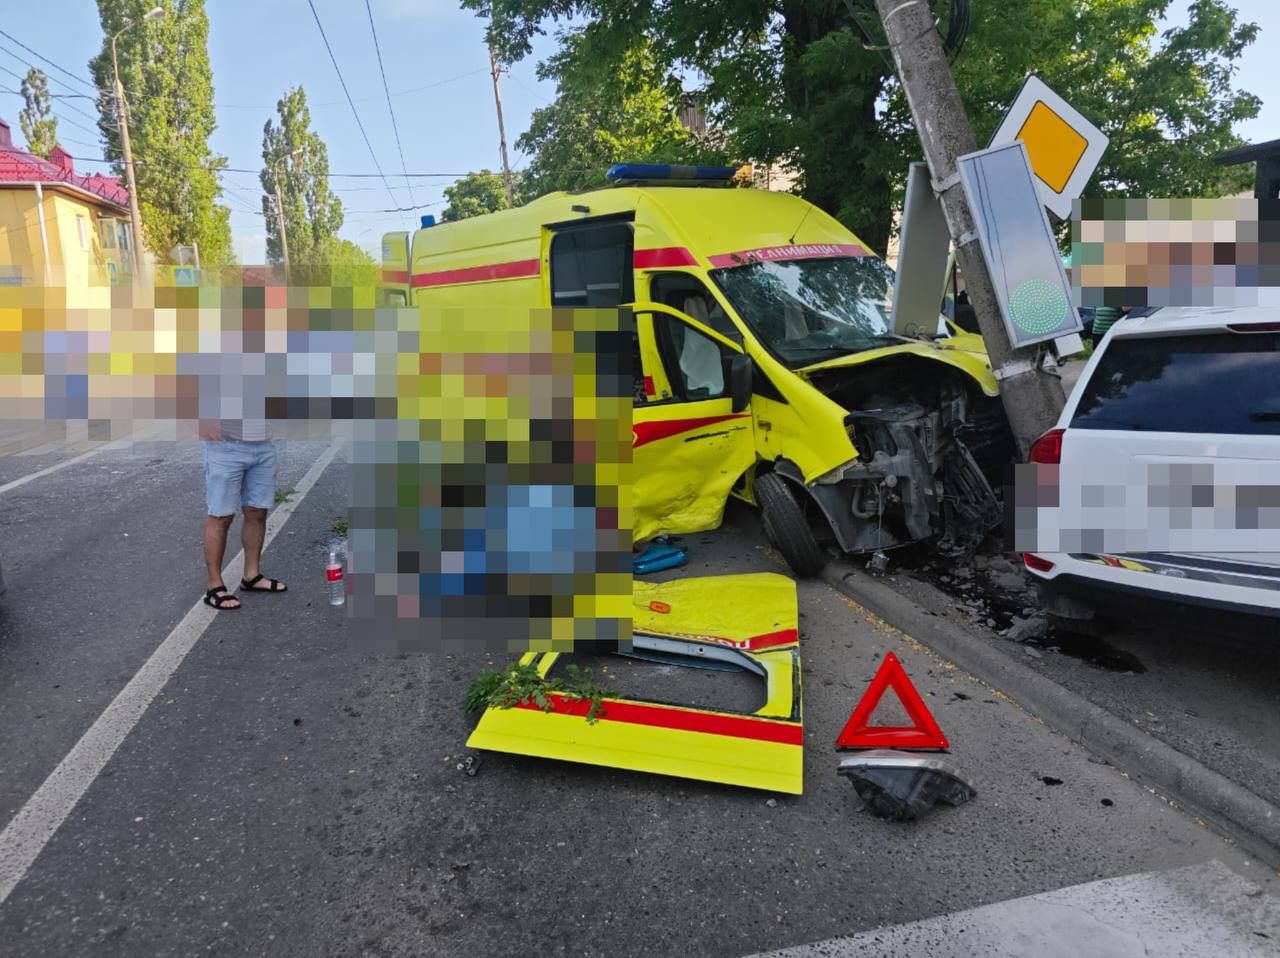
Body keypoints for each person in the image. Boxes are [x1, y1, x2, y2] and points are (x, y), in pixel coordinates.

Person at [202, 414, 287, 611]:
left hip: (263, 445)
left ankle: (252, 575)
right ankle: (214, 586)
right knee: (221, 516)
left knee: (257, 512)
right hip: (225, 447)